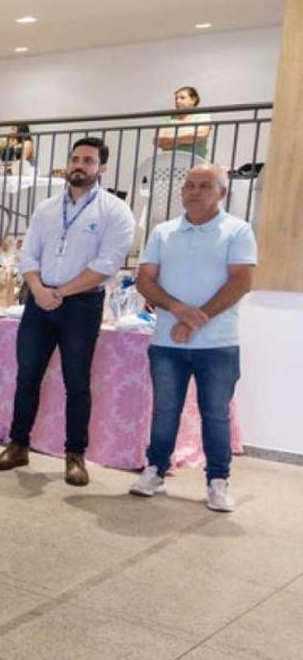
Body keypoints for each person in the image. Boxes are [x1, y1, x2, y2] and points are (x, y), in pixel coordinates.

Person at [0, 137, 136, 486]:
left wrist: (62, 292)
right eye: (75, 158)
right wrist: (39, 290)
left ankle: (75, 456)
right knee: (27, 378)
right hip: (39, 302)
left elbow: (107, 264)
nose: (80, 165)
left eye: (88, 160)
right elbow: (29, 256)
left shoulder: (115, 211)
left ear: (101, 168)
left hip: (81, 304)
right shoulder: (47, 208)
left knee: (77, 382)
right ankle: (18, 445)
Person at [130, 163, 255, 512]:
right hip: (167, 343)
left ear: (222, 193)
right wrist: (178, 309)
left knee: (215, 414)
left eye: (204, 186)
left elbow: (240, 282)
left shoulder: (238, 231)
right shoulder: (163, 232)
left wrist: (196, 319)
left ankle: (218, 482)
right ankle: (155, 471)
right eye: (189, 185)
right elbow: (145, 280)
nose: (194, 192)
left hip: (218, 345)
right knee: (164, 411)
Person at [155, 86, 212, 160]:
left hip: (194, 161)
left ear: (193, 100)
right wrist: (188, 137)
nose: (178, 101)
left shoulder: (201, 114)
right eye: (176, 98)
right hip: (169, 161)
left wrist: (171, 139)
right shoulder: (169, 117)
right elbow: (158, 141)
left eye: (182, 98)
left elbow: (201, 134)